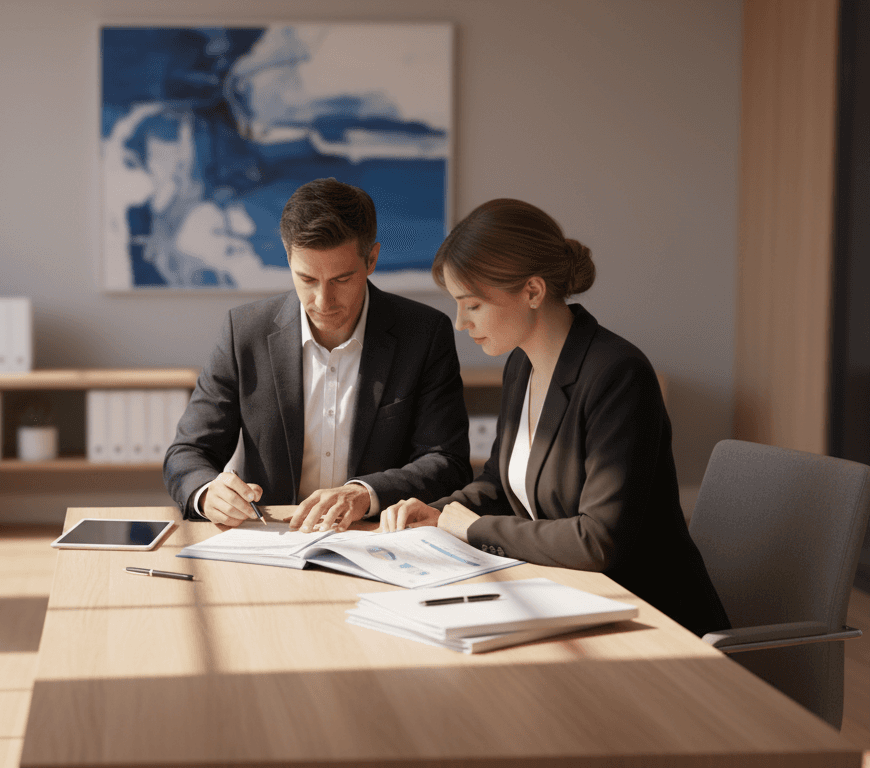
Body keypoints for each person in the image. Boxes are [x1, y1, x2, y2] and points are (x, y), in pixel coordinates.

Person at [379, 198, 729, 636]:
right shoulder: (521, 364)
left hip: (647, 619)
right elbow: (497, 483)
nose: (459, 323)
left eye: (472, 305)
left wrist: (472, 529)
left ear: (532, 291)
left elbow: (598, 541)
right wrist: (435, 513)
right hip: (566, 596)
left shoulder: (618, 374)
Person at [164, 178, 472, 532]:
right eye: (307, 279)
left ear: (371, 259)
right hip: (272, 541)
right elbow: (187, 453)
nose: (323, 302)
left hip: (376, 539)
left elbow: (447, 461)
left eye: (341, 279)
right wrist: (207, 493)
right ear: (287, 258)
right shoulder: (244, 331)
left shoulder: (424, 333)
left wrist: (364, 493)